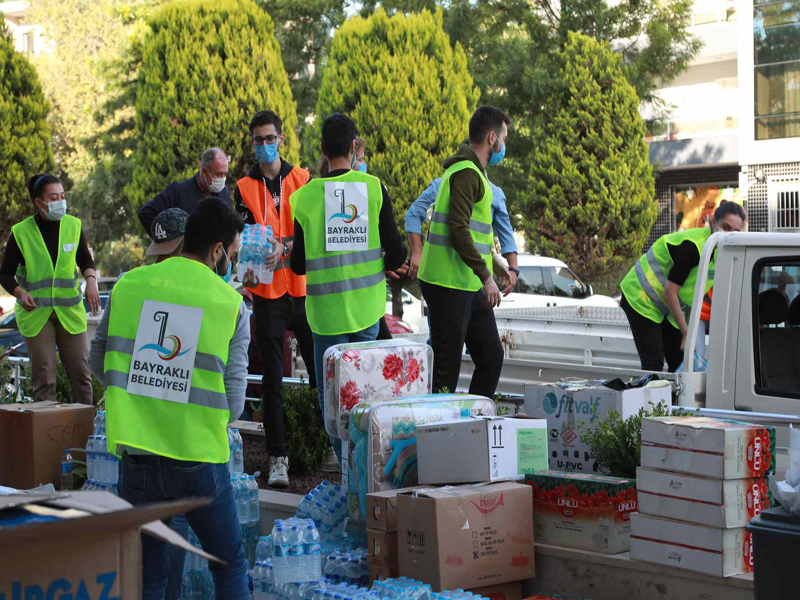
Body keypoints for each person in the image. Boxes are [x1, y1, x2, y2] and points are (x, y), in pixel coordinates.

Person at [88, 197, 250, 598]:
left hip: (138, 461)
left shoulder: (127, 285)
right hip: (199, 462)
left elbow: (96, 361)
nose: (231, 262)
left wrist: (147, 391)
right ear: (216, 251)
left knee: (150, 579)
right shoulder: (229, 303)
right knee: (230, 565)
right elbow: (234, 403)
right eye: (232, 254)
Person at [290, 113, 407, 459]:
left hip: (325, 321)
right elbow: (397, 251)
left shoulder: (305, 197)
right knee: (366, 400)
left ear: (323, 150)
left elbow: (298, 264)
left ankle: (345, 473)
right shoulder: (373, 188)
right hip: (366, 315)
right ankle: (366, 474)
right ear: (355, 148)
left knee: (335, 407)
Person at [233, 109, 317, 489]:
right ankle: (278, 458)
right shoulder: (243, 187)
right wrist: (245, 254)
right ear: (252, 143)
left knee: (320, 374)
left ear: (281, 139)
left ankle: (323, 445)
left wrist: (285, 247)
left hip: (301, 288)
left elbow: (315, 235)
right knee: (272, 379)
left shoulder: (303, 180)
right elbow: (239, 240)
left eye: (270, 138)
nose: (264, 146)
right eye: (258, 140)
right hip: (266, 293)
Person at [417, 106, 509, 398]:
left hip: (466, 282)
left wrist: (493, 265)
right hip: (447, 284)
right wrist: (487, 276)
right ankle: (435, 436)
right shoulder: (467, 172)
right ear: (492, 138)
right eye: (503, 139)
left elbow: (471, 232)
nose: (503, 147)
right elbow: (457, 230)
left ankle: (473, 423)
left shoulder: (471, 172)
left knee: (491, 357)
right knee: (446, 374)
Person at [0, 174, 101, 404]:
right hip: (36, 313)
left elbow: (85, 260)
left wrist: (92, 282)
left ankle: (84, 434)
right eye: (53, 197)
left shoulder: (73, 226)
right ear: (39, 202)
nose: (60, 202)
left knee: (81, 375)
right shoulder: (21, 232)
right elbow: (4, 274)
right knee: (45, 376)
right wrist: (19, 292)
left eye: (63, 196)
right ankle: (48, 437)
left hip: (69, 312)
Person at [620, 201, 747, 372]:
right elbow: (670, 292)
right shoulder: (694, 247)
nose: (729, 234)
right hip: (641, 298)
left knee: (681, 363)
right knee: (653, 364)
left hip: (667, 308)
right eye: (726, 227)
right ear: (714, 222)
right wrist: (686, 333)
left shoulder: (719, 252)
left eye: (736, 231)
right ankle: (652, 399)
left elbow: (694, 294)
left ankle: (675, 399)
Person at [406, 148, 520, 291]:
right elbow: (414, 214)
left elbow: (493, 236)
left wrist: (512, 269)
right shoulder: (441, 185)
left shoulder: (494, 194)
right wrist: (417, 253)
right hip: (447, 279)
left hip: (477, 280)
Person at [138, 147, 230, 235]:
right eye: (218, 174)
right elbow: (146, 213)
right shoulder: (178, 191)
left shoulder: (224, 192)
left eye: (225, 174)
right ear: (204, 171)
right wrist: (167, 241)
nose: (222, 178)